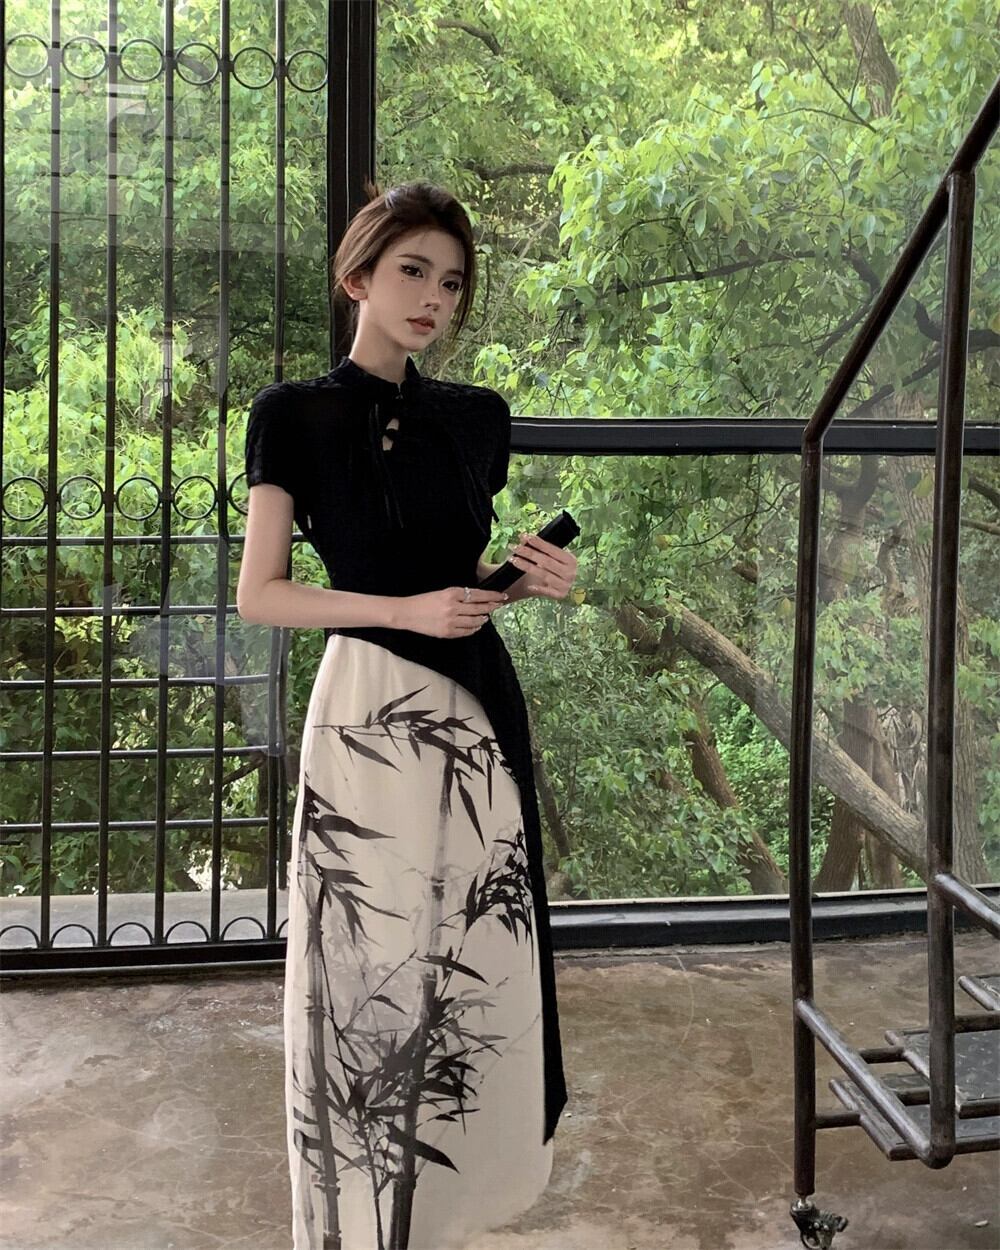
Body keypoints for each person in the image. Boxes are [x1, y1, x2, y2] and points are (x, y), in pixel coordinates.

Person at [237, 178, 577, 1250]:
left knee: (472, 954)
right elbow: (262, 595)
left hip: (475, 712)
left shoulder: (477, 417)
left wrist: (522, 581)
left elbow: (455, 581)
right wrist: (403, 610)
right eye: (413, 271)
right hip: (366, 712)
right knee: (365, 967)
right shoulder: (289, 415)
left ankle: (453, 1209)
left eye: (454, 282)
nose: (435, 297)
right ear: (358, 277)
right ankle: (358, 1219)